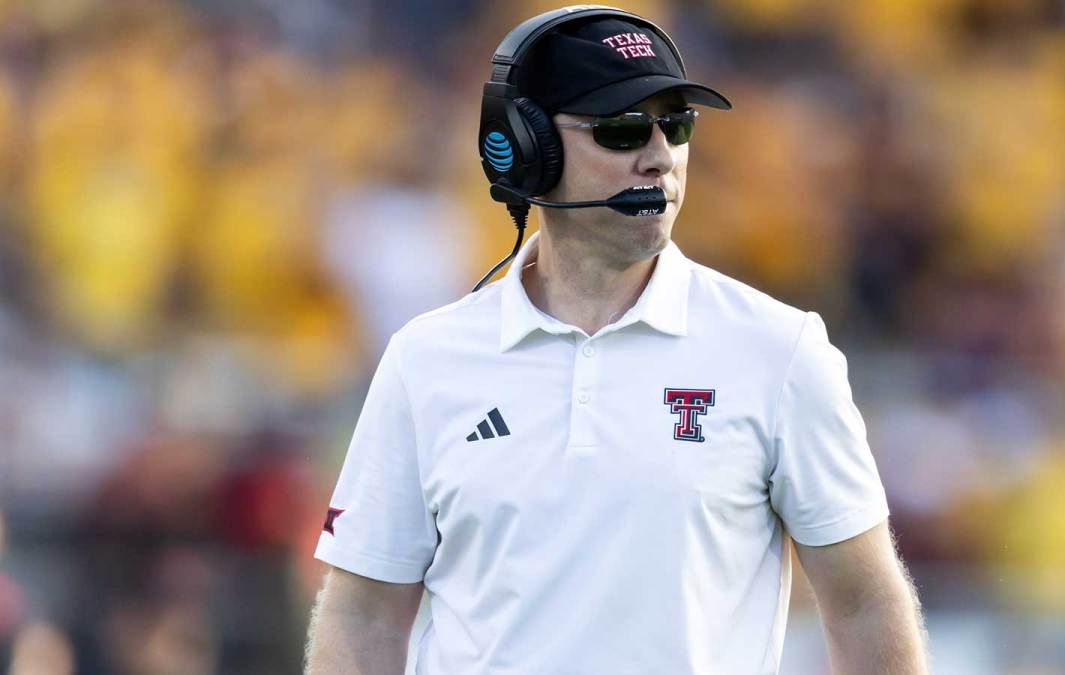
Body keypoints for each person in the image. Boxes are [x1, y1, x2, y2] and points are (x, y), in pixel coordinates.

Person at [305, 6, 928, 674]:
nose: (659, 156)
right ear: (526, 145)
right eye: (623, 128)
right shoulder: (426, 360)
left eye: (676, 125)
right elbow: (363, 611)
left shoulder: (780, 352)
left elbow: (864, 603)